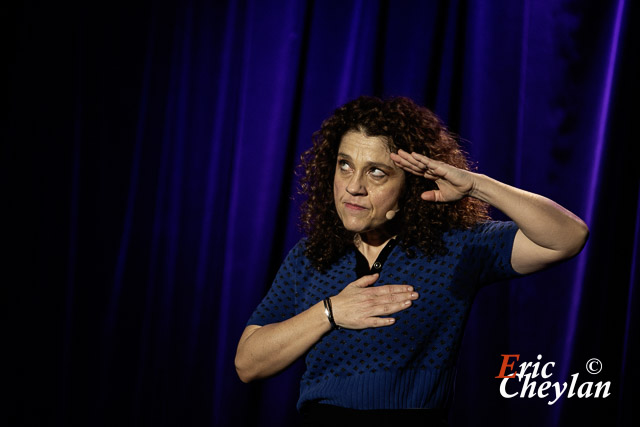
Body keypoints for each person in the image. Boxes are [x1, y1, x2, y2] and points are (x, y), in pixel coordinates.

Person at [235, 96, 588, 426]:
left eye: (376, 172)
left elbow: (568, 238)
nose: (353, 186)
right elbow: (247, 363)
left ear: (409, 187)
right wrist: (329, 312)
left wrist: (476, 186)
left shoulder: (456, 247)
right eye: (345, 165)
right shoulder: (311, 256)